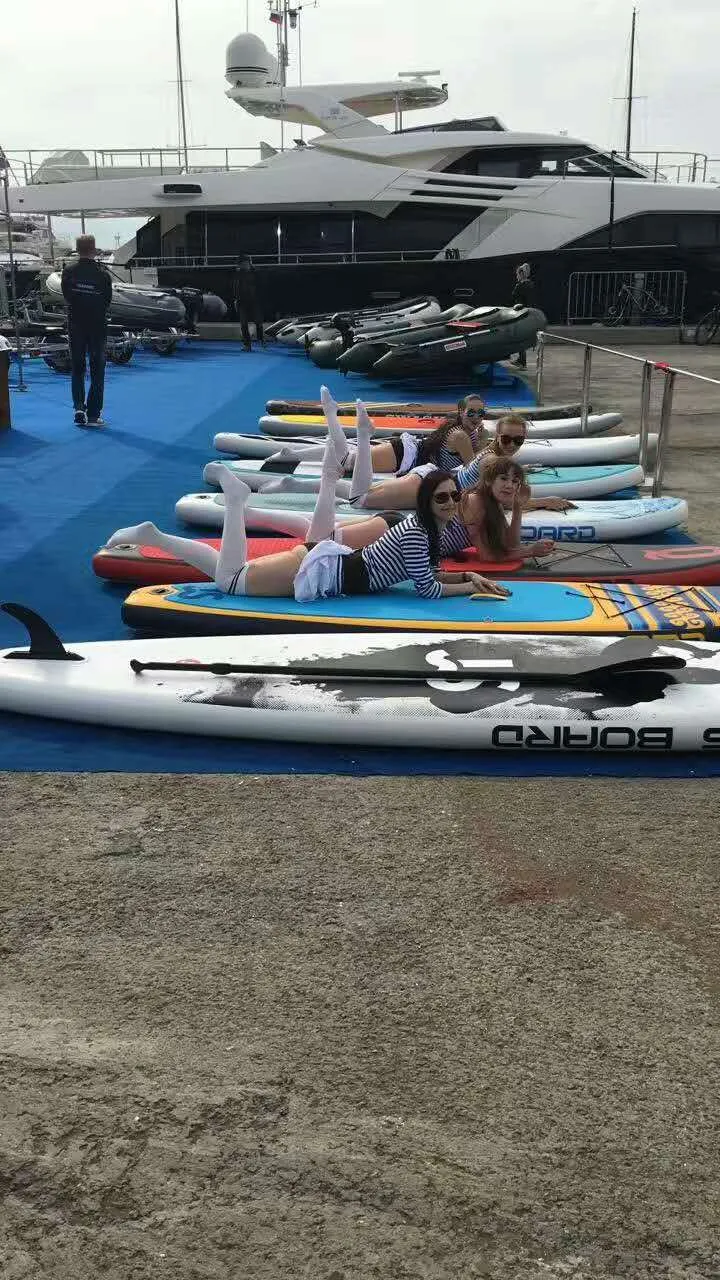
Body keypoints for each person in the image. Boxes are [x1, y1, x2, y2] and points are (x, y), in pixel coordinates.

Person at [106, 441, 504, 603]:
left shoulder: (429, 532)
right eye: (442, 497)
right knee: (231, 581)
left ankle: (154, 535)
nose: (451, 503)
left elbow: (427, 575)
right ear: (426, 502)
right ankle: (235, 503)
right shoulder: (419, 531)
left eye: (454, 496)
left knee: (228, 574)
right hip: (323, 570)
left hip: (329, 564)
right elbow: (428, 590)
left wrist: (468, 578)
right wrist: (468, 585)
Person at [265, 391, 488, 478]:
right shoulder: (461, 436)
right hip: (405, 456)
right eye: (471, 412)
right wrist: (487, 444)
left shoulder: (470, 433)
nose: (476, 417)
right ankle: (293, 454)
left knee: (350, 458)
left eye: (481, 413)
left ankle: (293, 453)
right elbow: (472, 467)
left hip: (409, 455)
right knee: (348, 461)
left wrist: (482, 442)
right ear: (461, 411)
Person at [458, 456, 555, 561]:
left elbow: (512, 545)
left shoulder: (494, 503)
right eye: (503, 478)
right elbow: (486, 556)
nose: (509, 485)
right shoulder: (474, 500)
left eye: (515, 481)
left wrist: (518, 506)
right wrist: (530, 551)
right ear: (488, 480)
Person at [61, 234, 112, 427]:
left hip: (76, 324)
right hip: (97, 325)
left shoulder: (68, 271)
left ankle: (78, 408)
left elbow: (67, 296)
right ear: (94, 249)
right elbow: (107, 300)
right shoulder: (102, 274)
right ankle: (93, 415)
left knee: (78, 367)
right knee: (97, 369)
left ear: (77, 249)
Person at [233, 255, 264, 351]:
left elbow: (261, 287)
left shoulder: (256, 272)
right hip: (241, 302)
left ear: (248, 263)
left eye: (242, 264)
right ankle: (247, 345)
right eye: (240, 264)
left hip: (255, 301)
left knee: (258, 322)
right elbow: (236, 287)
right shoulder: (238, 274)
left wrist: (260, 299)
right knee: (243, 324)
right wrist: (236, 299)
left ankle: (261, 340)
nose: (241, 266)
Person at [510, 262, 536, 369]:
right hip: (528, 312)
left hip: (520, 313)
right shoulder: (531, 284)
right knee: (522, 337)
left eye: (517, 274)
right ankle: (521, 360)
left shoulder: (520, 286)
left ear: (521, 274)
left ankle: (522, 361)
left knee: (520, 337)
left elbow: (514, 296)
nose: (516, 276)